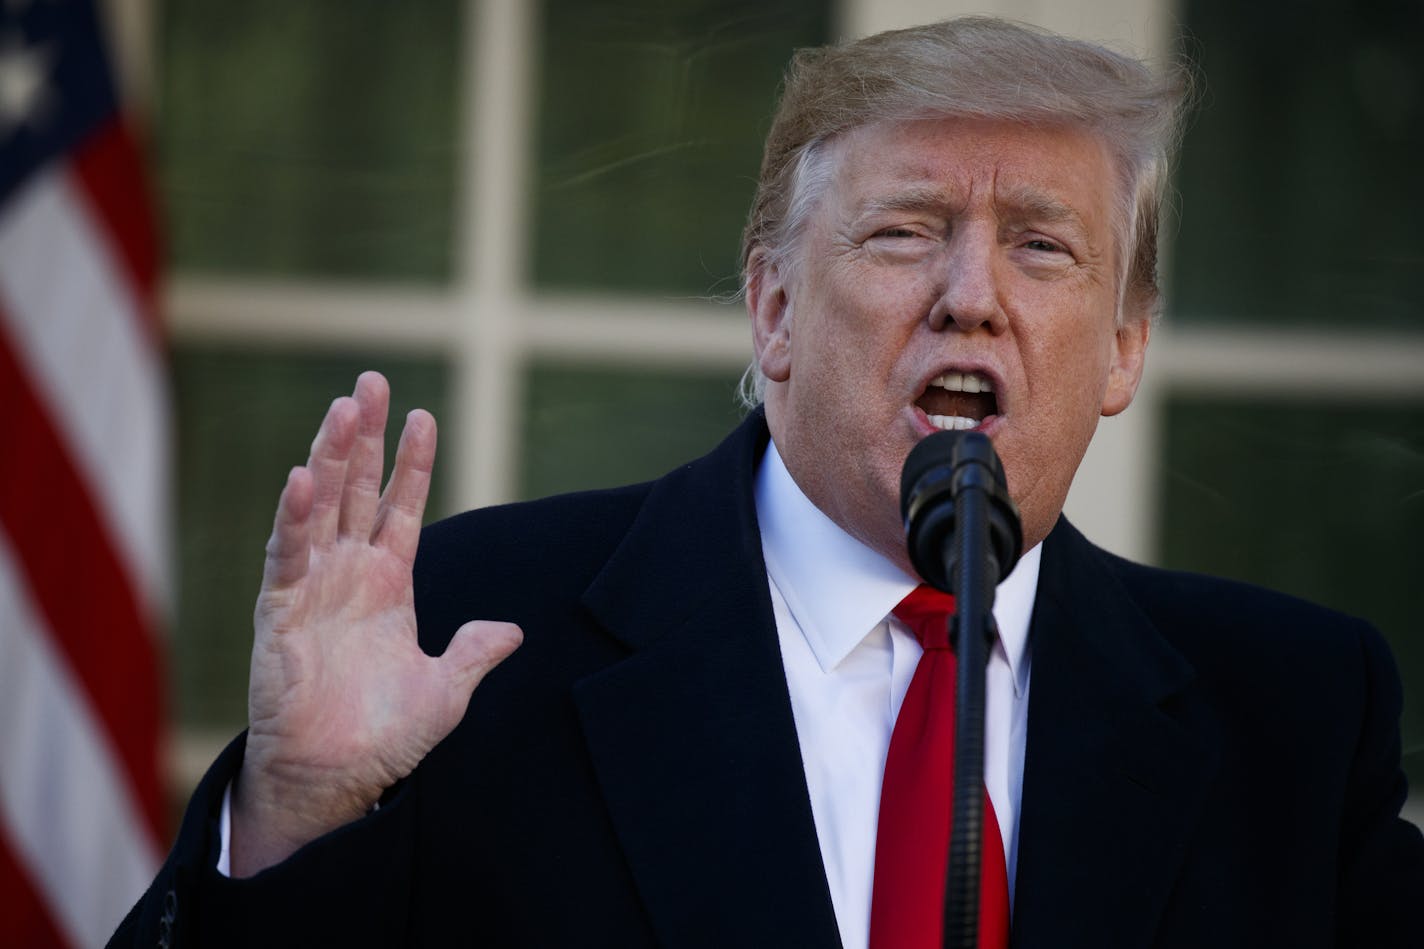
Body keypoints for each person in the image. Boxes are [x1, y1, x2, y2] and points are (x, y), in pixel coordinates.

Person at [112, 16, 1423, 948]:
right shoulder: (466, 635)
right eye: (906, 230)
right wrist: (293, 820)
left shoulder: (1292, 713)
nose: (971, 297)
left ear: (1125, 346)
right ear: (775, 306)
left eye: (1041, 245)